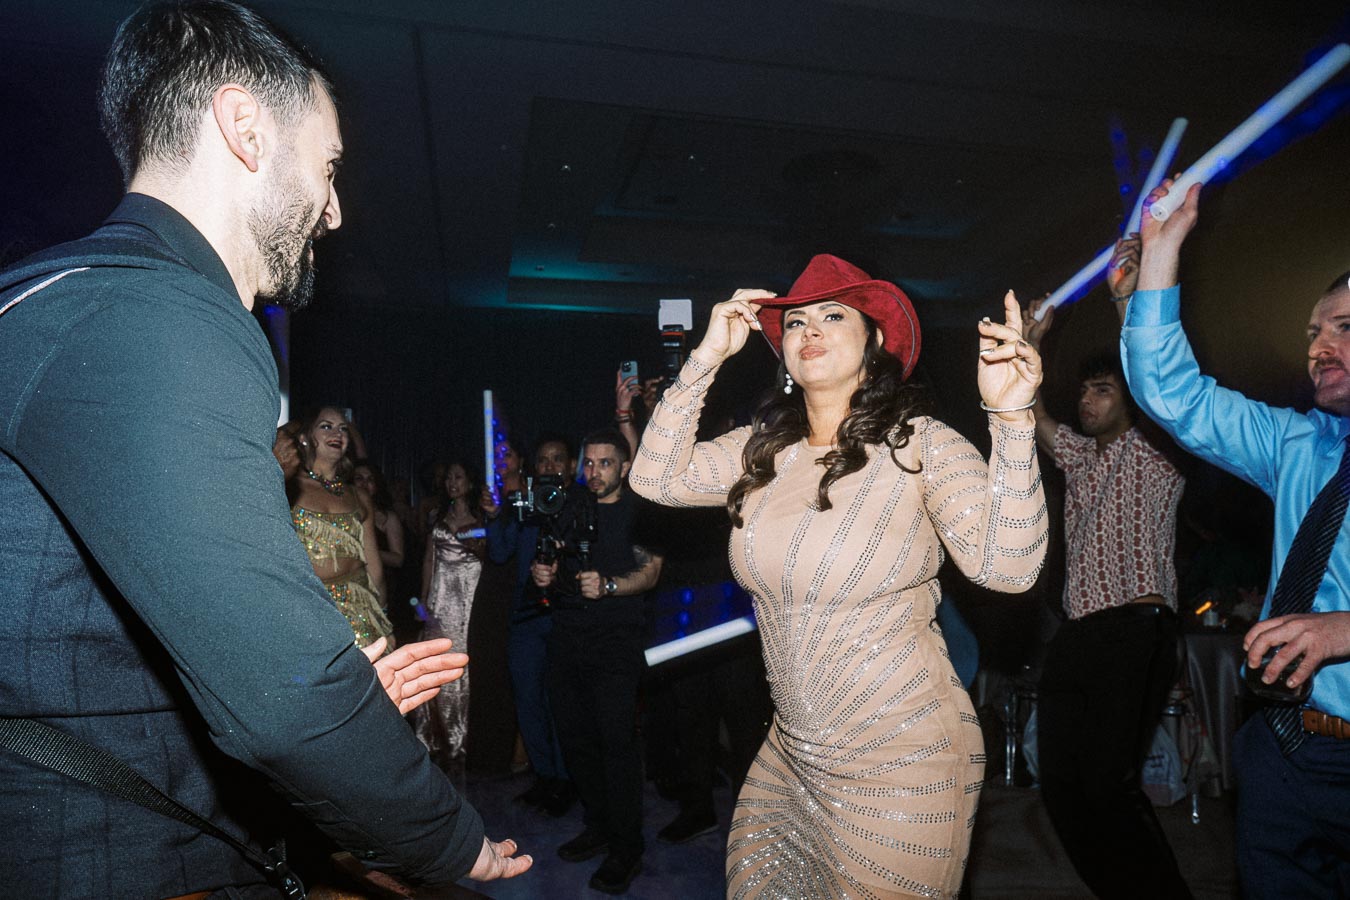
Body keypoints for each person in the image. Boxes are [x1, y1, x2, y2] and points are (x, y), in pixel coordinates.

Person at [0, 1, 529, 893]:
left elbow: (74, 627)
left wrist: (313, 692)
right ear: (245, 127)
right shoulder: (159, 316)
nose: (332, 210)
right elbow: (279, 704)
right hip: (96, 850)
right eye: (327, 167)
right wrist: (441, 839)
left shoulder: (63, 294)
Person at [631, 253, 1049, 898]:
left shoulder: (921, 444)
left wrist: (1013, 421)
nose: (809, 330)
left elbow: (1009, 570)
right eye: (794, 321)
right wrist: (706, 357)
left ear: (875, 342)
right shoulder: (762, 452)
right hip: (791, 757)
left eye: (833, 315)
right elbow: (655, 478)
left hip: (905, 761)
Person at [1123, 178, 1350, 897]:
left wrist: (1344, 629)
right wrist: (1162, 255)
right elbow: (1173, 395)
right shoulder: (1297, 444)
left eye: (1346, 327)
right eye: (1314, 331)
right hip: (1286, 746)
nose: (1321, 346)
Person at [1022, 250, 1191, 899]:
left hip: (1135, 630)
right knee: (1061, 784)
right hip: (1079, 636)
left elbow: (1160, 383)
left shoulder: (1155, 450)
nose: (1087, 400)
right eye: (1086, 389)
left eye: (1103, 389)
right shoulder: (1080, 456)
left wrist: (1127, 302)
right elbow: (1036, 417)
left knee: (1107, 783)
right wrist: (1035, 345)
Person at [532, 428, 665, 894]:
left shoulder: (640, 511)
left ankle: (626, 847)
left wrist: (609, 586)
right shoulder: (570, 505)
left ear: (625, 468)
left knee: (617, 745)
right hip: (568, 637)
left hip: (617, 642)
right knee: (576, 739)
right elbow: (549, 553)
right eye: (589, 463)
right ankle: (599, 824)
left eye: (605, 463)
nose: (594, 472)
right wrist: (542, 571)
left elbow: (650, 572)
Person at [484, 434, 577, 815]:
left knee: (560, 702)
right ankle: (545, 777)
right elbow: (500, 551)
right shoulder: (524, 506)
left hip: (563, 618)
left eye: (558, 458)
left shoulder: (581, 505)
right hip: (525, 619)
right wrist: (494, 517)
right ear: (533, 467)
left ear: (571, 466)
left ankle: (568, 781)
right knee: (528, 702)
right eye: (543, 460)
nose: (550, 466)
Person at [289, 405, 395, 649]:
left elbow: (374, 567)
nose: (337, 433)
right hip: (310, 611)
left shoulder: (358, 496)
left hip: (360, 611)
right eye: (326, 426)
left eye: (343, 429)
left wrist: (383, 620)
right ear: (305, 438)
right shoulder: (288, 489)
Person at [416, 458, 485, 782]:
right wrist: (422, 607)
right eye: (449, 478)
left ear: (470, 482)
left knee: (466, 675)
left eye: (458, 477)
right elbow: (428, 563)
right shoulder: (437, 519)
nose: (451, 483)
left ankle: (465, 746)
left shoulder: (483, 519)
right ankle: (438, 742)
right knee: (438, 671)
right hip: (441, 603)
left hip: (470, 604)